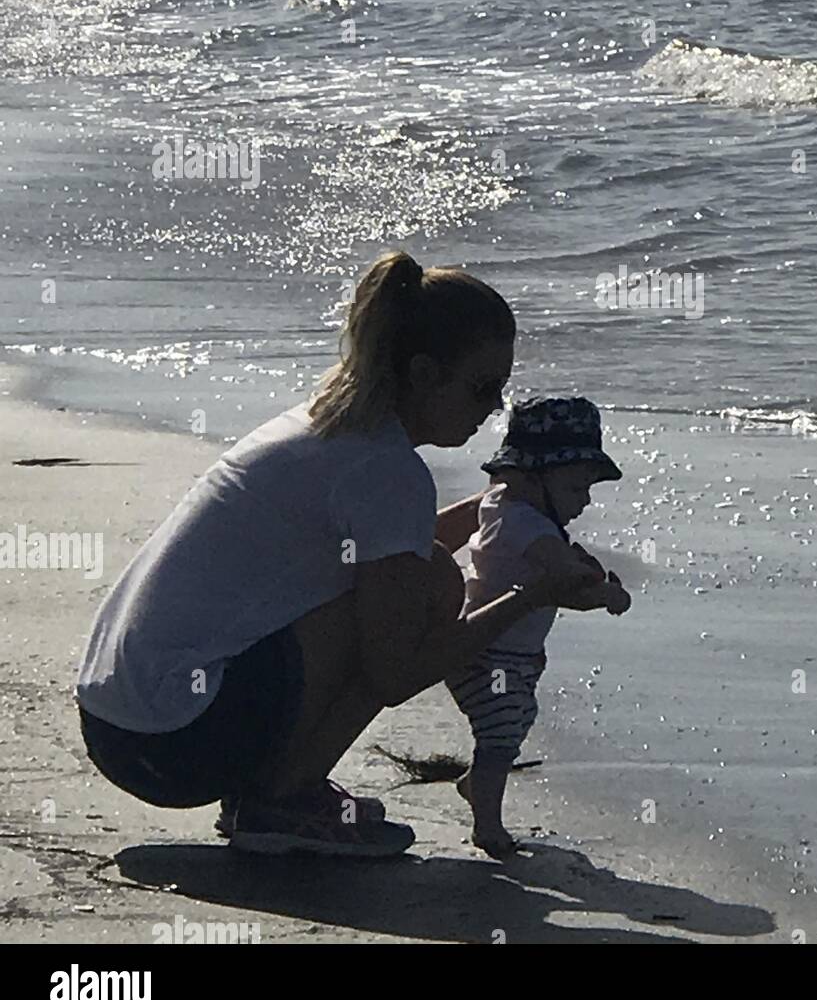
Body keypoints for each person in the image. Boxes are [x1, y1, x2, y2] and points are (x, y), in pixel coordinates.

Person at [75, 250, 614, 858]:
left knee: (415, 571)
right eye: (483, 387)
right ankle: (280, 798)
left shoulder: (325, 425)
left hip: (121, 722)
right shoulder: (386, 470)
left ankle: (275, 784)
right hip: (173, 743)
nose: (495, 407)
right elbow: (398, 670)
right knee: (436, 583)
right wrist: (534, 593)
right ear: (423, 374)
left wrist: (501, 503)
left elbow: (387, 548)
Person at [446, 396, 631, 857]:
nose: (584, 500)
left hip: (505, 650)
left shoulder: (505, 506)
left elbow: (562, 562)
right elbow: (566, 580)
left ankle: (477, 786)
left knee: (515, 720)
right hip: (490, 653)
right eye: (574, 488)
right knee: (500, 732)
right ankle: (487, 823)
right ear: (530, 479)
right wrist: (608, 594)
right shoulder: (525, 525)